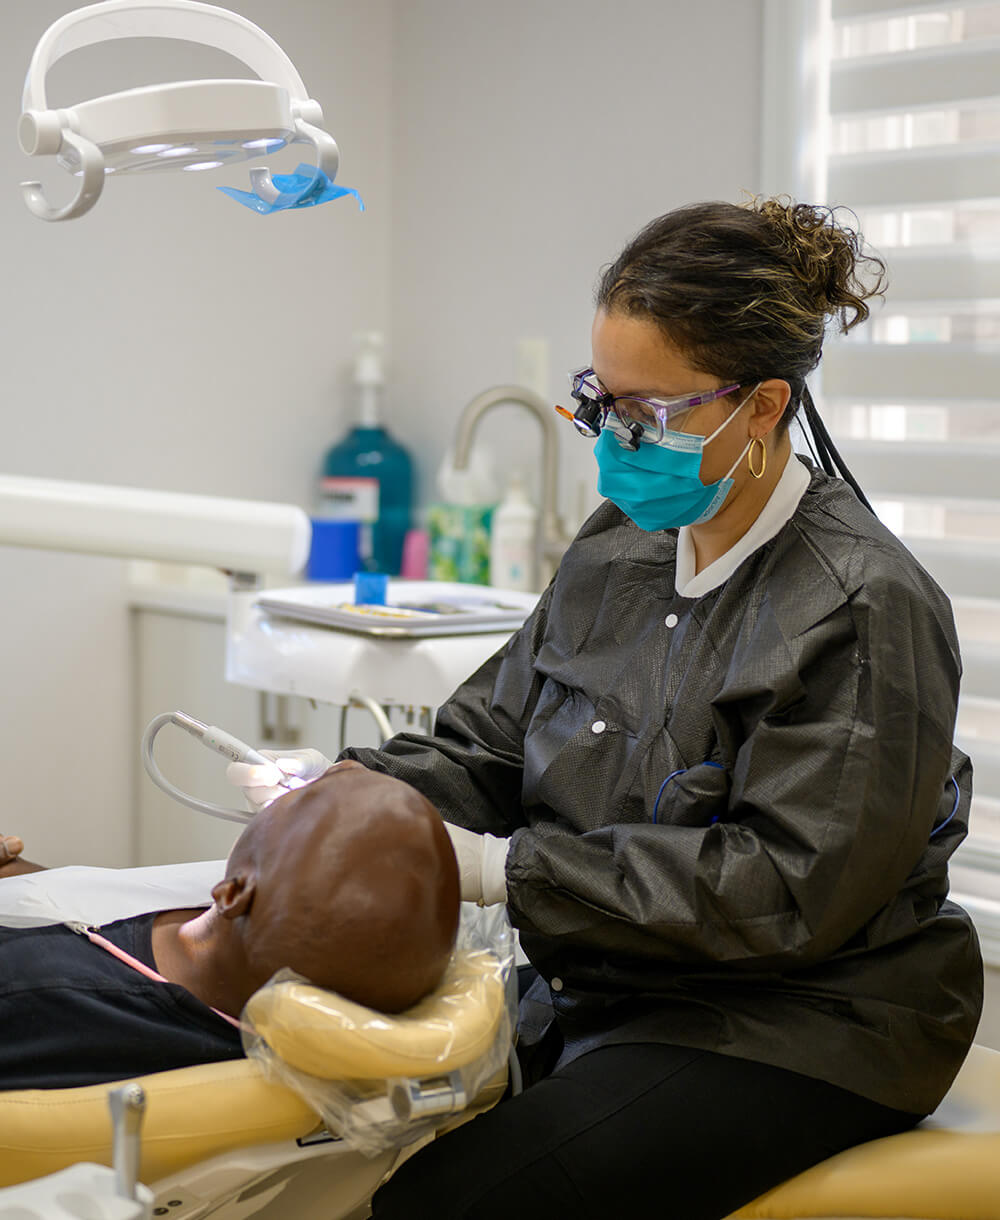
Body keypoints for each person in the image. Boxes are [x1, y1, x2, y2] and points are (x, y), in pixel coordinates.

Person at [233, 197, 984, 1220]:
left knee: (458, 1201)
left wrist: (503, 870)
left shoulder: (863, 606)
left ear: (762, 406)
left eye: (652, 414)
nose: (617, 438)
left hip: (805, 1024)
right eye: (600, 400)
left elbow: (783, 891)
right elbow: (488, 740)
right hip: (612, 987)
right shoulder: (617, 544)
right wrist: (347, 792)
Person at [0, 762, 459, 1090]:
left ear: (233, 893)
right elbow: (86, 922)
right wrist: (33, 880)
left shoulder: (32, 991)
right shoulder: (238, 987)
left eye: (307, 798)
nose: (336, 770)